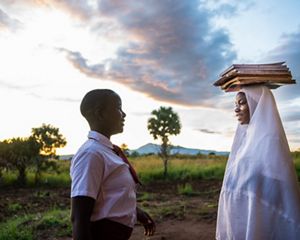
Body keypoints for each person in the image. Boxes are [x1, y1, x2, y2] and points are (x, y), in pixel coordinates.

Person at [216, 85, 300, 239]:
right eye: (235, 104)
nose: (236, 109)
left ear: (257, 104)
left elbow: (277, 193)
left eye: (242, 102)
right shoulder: (243, 144)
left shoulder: (270, 143)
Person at [70, 89, 155, 240]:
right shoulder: (91, 154)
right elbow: (79, 218)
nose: (124, 114)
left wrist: (136, 212)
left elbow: (110, 197)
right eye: (118, 107)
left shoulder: (107, 151)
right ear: (100, 113)